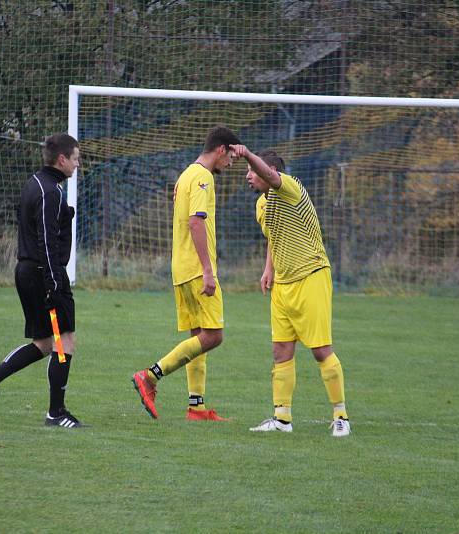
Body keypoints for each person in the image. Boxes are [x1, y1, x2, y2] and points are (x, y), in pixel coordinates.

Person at [233, 144, 351, 437]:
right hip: (283, 284)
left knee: (321, 350)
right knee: (280, 351)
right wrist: (268, 268)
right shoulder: (262, 204)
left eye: (252, 171)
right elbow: (275, 235)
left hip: (311, 276)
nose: (248, 175)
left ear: (270, 171)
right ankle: (282, 419)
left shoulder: (291, 188)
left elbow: (271, 178)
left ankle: (341, 416)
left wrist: (248, 154)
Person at [0, 133, 83, 428]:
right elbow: (46, 240)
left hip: (29, 272)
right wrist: (53, 282)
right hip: (44, 276)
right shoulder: (50, 192)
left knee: (45, 342)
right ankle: (56, 413)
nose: (77, 164)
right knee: (64, 340)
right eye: (75, 158)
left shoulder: (36, 184)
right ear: (62, 159)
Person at [131, 126, 241, 421]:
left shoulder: (185, 175)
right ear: (221, 150)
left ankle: (197, 406)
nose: (231, 164)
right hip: (196, 269)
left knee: (198, 336)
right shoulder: (203, 177)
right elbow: (195, 223)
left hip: (180, 268)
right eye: (231, 157)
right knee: (214, 336)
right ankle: (150, 376)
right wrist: (208, 269)